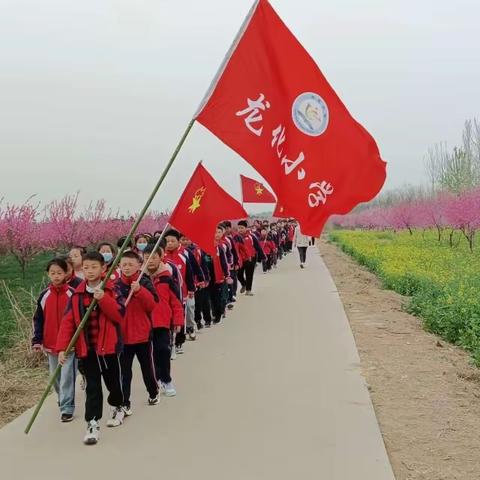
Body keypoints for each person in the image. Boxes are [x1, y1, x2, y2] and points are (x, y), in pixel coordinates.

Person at [57, 251, 125, 446]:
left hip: (110, 349)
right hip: (88, 350)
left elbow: (119, 315)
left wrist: (103, 298)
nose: (90, 271)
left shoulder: (112, 289)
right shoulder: (77, 294)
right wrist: (63, 348)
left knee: (114, 383)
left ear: (103, 268)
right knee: (93, 388)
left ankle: (118, 406)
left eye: (94, 267)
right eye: (86, 267)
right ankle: (93, 423)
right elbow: (68, 322)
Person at [32, 258, 77, 423]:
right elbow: (38, 319)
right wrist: (37, 340)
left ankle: (67, 408)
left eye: (59, 273)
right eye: (53, 273)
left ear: (67, 273)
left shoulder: (72, 293)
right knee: (55, 378)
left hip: (69, 346)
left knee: (67, 377)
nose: (56, 276)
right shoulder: (44, 295)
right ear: (48, 274)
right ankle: (62, 398)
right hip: (50, 344)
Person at [115, 251, 159, 415]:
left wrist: (140, 290)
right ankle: (125, 402)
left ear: (139, 265)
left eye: (130, 264)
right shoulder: (115, 286)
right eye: (123, 264)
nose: (126, 268)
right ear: (119, 266)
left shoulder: (144, 281)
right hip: (123, 337)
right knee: (124, 372)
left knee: (147, 368)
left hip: (143, 335)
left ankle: (153, 392)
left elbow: (152, 305)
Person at [143, 243, 183, 396]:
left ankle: (167, 379)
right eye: (147, 258)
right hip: (146, 323)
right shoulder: (140, 279)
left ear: (160, 258)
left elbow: (176, 302)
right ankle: (156, 379)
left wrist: (178, 321)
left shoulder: (167, 278)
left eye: (153, 257)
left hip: (163, 322)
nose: (150, 261)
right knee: (151, 354)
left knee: (164, 351)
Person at [164, 229, 198, 353]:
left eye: (173, 241)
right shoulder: (161, 257)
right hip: (165, 295)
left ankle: (179, 342)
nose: (170, 243)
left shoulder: (183, 256)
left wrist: (191, 289)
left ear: (178, 242)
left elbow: (189, 274)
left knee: (180, 318)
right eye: (167, 241)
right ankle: (169, 343)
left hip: (181, 293)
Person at [236, 220, 265, 296]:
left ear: (246, 228)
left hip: (251, 258)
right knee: (239, 274)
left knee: (249, 274)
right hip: (240, 259)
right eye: (239, 228)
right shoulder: (236, 237)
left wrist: (262, 256)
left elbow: (258, 247)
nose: (240, 230)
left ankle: (248, 290)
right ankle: (244, 284)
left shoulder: (252, 236)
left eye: (242, 228)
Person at [208, 226, 230, 324]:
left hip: (218, 275)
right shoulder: (204, 246)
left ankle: (218, 313)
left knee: (218, 295)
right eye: (214, 232)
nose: (216, 234)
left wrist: (226, 273)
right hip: (207, 275)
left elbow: (224, 261)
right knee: (211, 296)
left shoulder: (220, 246)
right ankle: (214, 312)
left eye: (218, 232)